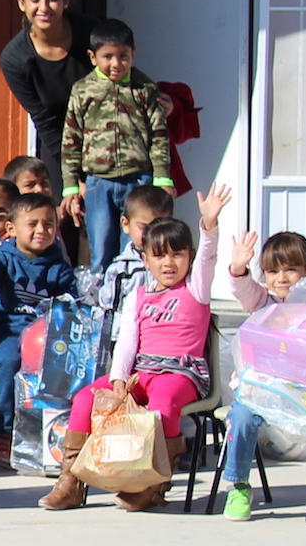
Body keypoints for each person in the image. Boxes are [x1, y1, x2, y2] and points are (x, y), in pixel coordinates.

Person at [41, 193, 225, 512]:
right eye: (159, 256)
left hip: (180, 373)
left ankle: (154, 482)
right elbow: (127, 342)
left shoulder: (196, 288)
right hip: (142, 373)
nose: (169, 263)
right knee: (86, 399)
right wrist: (118, 379)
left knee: (163, 405)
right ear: (146, 259)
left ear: (190, 257)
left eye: (177, 255)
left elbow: (209, 256)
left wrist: (209, 223)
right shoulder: (137, 296)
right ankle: (70, 481)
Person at [219, 230, 306, 524]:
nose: (281, 278)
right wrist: (238, 269)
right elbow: (243, 289)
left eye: (290, 269)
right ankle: (239, 487)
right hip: (263, 400)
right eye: (272, 271)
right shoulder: (263, 304)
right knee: (241, 416)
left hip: (304, 401)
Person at [60, 18, 173, 271]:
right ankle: (103, 304)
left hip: (139, 181)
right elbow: (71, 139)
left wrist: (163, 179)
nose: (116, 64)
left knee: (136, 248)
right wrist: (70, 185)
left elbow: (159, 135)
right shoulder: (83, 90)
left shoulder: (144, 88)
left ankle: (133, 303)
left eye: (123, 56)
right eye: (107, 56)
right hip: (99, 183)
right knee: (100, 249)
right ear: (93, 57)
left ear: (133, 53)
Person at [0, 192, 77, 464]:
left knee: (64, 366)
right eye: (33, 224)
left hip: (47, 336)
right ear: (12, 228)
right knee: (8, 363)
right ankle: (5, 434)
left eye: (49, 224)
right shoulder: (5, 258)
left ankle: (51, 432)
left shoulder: (59, 268)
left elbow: (72, 305)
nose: (42, 230)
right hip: (9, 333)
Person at [0, 0, 97, 192]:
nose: (44, 7)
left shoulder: (92, 32)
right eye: (35, 0)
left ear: (66, 0)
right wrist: (73, 178)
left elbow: (120, 72)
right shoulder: (14, 58)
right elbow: (44, 121)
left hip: (107, 133)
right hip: (60, 143)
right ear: (21, 3)